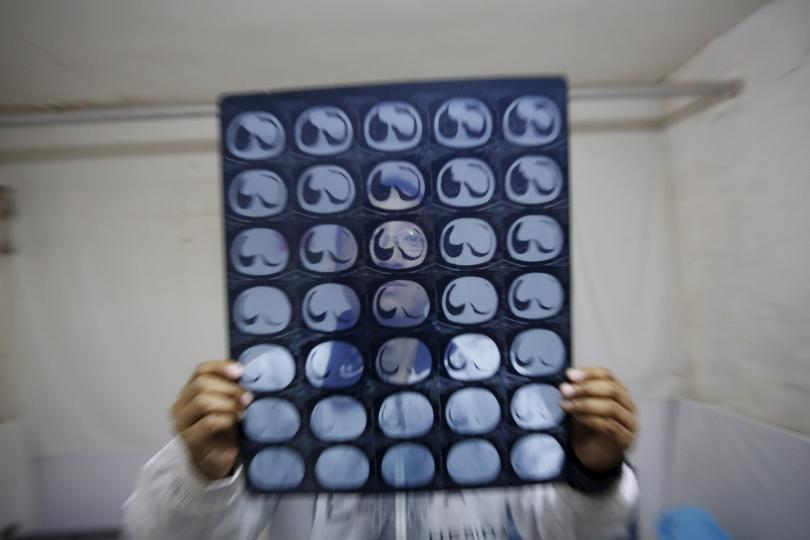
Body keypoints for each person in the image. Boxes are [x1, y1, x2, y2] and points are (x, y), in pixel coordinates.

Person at [122, 360, 638, 539]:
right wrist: (203, 475)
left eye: (411, 233)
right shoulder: (278, 383)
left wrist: (591, 472)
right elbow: (155, 533)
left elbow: (567, 529)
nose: (390, 250)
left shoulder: (501, 379)